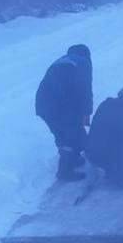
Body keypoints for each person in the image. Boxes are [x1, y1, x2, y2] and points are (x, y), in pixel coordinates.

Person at [35, 43, 93, 181]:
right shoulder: (83, 62)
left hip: (42, 105)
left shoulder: (61, 60)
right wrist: (86, 112)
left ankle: (72, 159)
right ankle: (65, 172)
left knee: (62, 133)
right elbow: (85, 90)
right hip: (60, 106)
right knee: (72, 135)